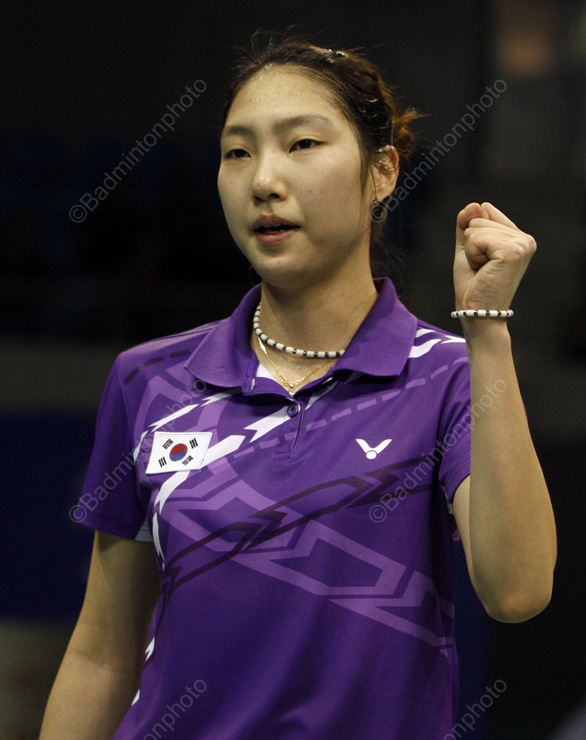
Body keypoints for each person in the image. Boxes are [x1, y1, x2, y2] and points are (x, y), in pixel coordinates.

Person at [39, 30, 557, 740]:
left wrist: (487, 327)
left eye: (302, 144)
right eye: (237, 152)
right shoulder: (149, 378)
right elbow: (103, 651)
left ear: (383, 172)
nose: (263, 180)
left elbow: (517, 591)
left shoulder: (448, 377)